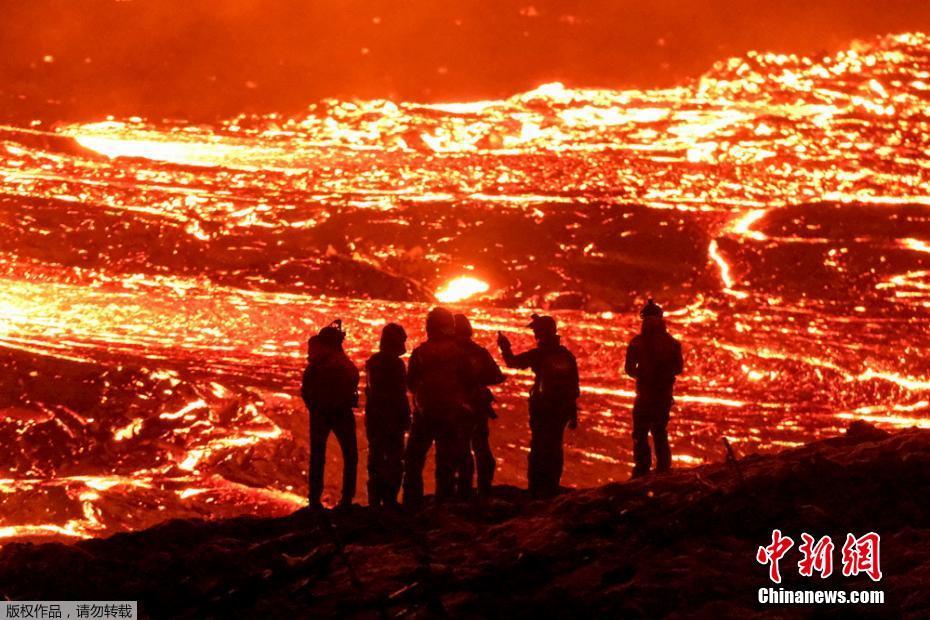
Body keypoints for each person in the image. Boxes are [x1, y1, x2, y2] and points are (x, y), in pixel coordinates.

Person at [497, 314, 580, 498]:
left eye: (536, 331)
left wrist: (504, 346)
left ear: (541, 333)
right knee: (555, 447)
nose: (534, 334)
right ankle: (552, 486)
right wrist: (573, 414)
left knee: (539, 448)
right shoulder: (567, 356)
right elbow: (574, 386)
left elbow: (513, 362)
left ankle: (536, 488)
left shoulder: (539, 355)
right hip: (561, 410)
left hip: (542, 410)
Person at [403, 307, 473, 507]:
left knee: (413, 461)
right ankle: (444, 504)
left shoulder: (420, 353)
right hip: (450, 414)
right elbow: (469, 382)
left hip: (424, 414)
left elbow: (410, 382)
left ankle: (411, 504)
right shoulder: (459, 354)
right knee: (446, 463)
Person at [301, 320, 360, 510]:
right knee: (350, 455)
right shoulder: (342, 363)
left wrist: (315, 407)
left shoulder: (316, 364)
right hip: (341, 413)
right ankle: (346, 500)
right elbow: (352, 381)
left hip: (320, 414)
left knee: (318, 456)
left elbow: (306, 390)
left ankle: (314, 500)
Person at [624, 299, 684, 478]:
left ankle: (642, 469)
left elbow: (629, 369)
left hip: (644, 395)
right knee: (659, 431)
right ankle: (663, 468)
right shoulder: (672, 343)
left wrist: (642, 377)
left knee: (640, 432)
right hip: (663, 395)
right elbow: (679, 369)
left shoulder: (636, 343)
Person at [454, 313, 505, 499]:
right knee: (482, 447)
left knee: (461, 450)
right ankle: (484, 490)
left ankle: (463, 492)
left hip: (457, 407)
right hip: (478, 406)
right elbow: (497, 376)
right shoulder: (479, 351)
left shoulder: (450, 352)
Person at [364, 323, 410, 508]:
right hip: (391, 418)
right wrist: (405, 417)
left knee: (376, 458)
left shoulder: (373, 361)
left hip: (376, 417)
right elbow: (399, 393)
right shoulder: (395, 364)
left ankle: (375, 501)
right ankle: (389, 500)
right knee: (393, 459)